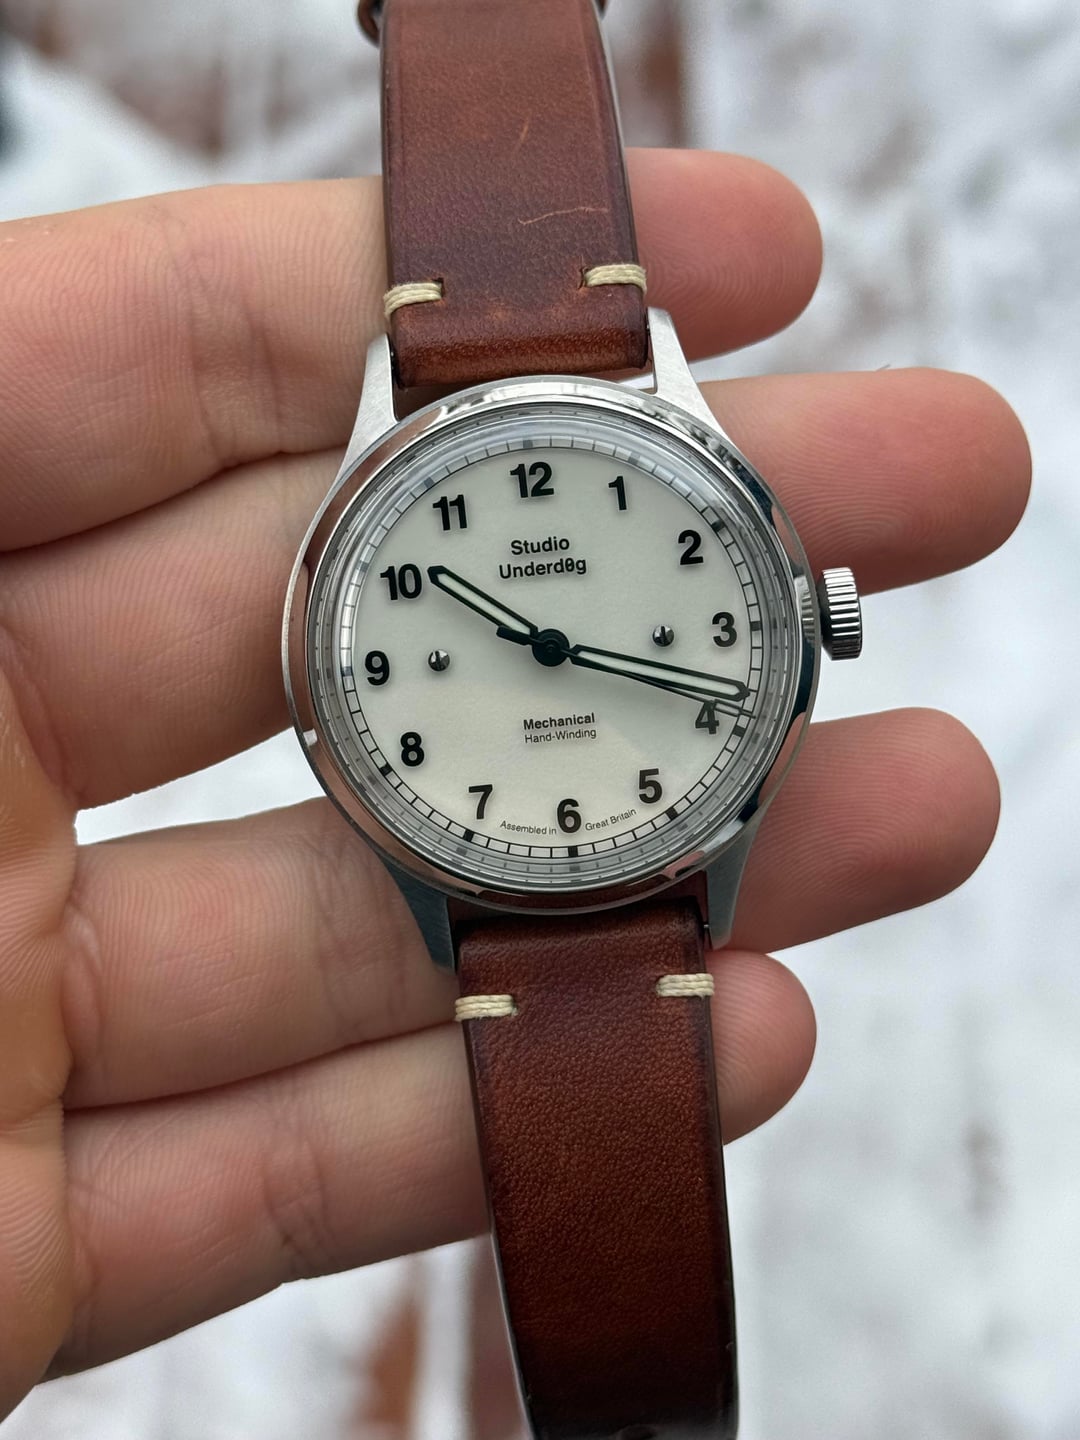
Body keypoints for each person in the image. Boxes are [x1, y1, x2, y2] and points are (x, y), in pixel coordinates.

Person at [0, 149, 1030, 1419]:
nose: (550, 651)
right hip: (506, 856)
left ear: (808, 615)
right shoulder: (518, 510)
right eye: (538, 643)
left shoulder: (558, 491)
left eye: (558, 646)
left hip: (606, 837)